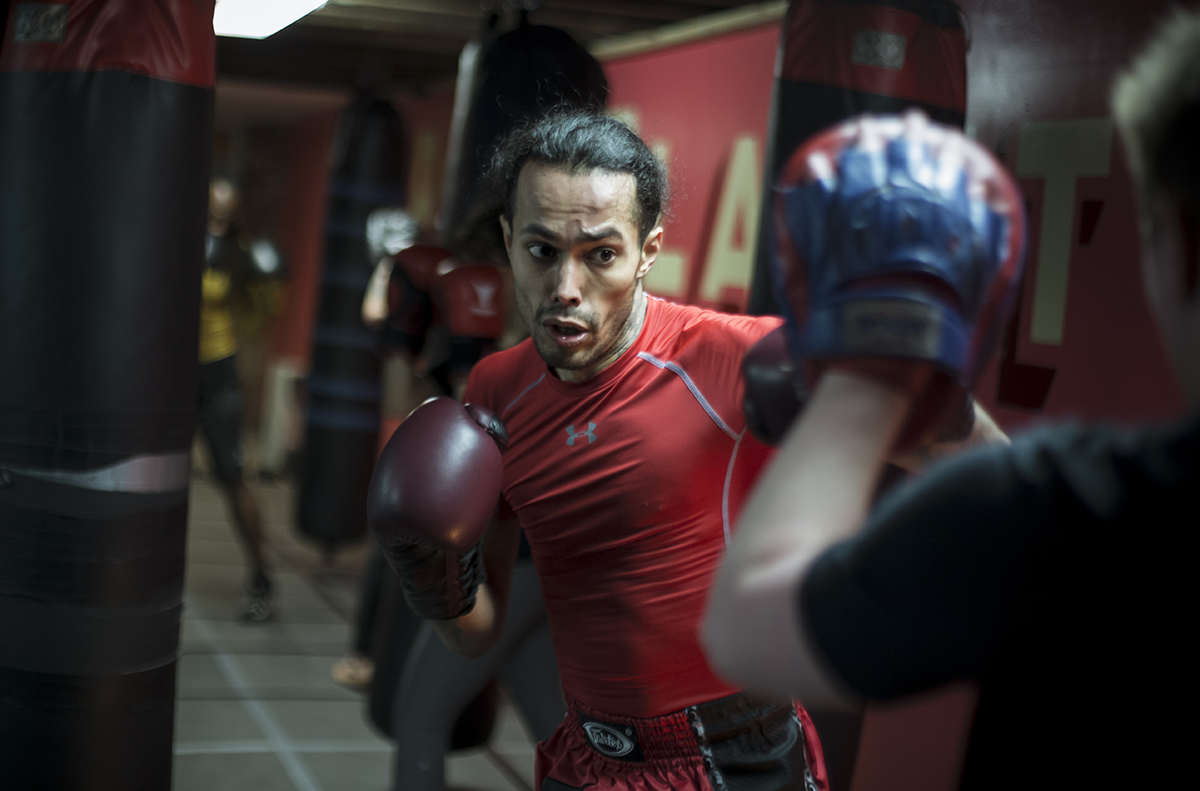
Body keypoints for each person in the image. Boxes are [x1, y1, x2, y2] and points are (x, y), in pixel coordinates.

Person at [702, 11, 1200, 790]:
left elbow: (749, 629)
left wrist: (870, 373)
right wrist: (952, 418)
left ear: (1180, 241)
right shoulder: (1043, 512)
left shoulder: (1056, 513)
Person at [198, 175, 273, 622]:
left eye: (226, 215)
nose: (219, 220)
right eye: (212, 212)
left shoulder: (237, 255)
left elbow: (257, 318)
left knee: (233, 476)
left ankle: (262, 577)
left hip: (217, 371)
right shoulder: (171, 238)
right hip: (164, 371)